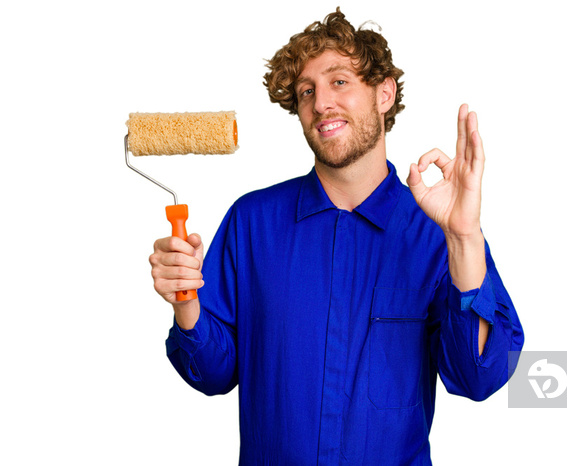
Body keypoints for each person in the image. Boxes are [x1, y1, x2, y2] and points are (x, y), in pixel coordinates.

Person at [149, 8, 524, 465]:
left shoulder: (438, 234)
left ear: (384, 93)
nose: (321, 103)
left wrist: (465, 237)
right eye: (307, 92)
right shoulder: (252, 223)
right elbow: (212, 373)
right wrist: (185, 303)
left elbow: (478, 378)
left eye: (339, 81)